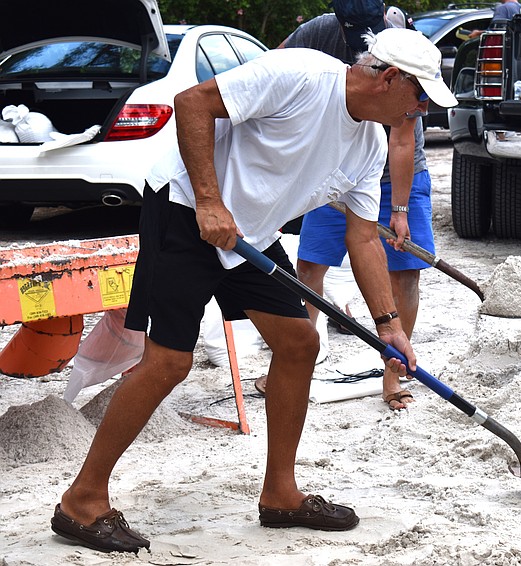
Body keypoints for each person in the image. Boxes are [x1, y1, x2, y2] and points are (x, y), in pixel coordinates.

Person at [50, 26, 457, 554]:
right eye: (420, 97)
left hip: (251, 236)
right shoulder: (303, 75)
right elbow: (192, 102)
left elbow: (363, 239)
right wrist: (209, 201)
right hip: (184, 211)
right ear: (391, 79)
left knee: (299, 342)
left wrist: (391, 327)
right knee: (169, 362)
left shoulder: (369, 144)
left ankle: (281, 495)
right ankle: (81, 502)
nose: (422, 111)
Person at [281, 2, 436, 411]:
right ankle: (295, 364)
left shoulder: (402, 48)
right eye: (353, 32)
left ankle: (394, 372)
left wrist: (399, 210)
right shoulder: (317, 34)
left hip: (395, 173)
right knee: (310, 265)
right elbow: (277, 65)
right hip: (334, 169)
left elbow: (401, 140)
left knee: (402, 273)